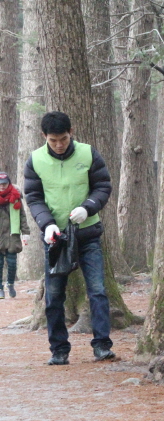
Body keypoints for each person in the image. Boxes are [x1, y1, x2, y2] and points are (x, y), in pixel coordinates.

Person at [24, 111, 115, 365]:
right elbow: (33, 197)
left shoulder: (88, 153)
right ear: (44, 137)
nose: (59, 144)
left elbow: (103, 185)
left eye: (63, 138)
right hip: (55, 238)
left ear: (71, 133)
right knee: (53, 295)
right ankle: (59, 349)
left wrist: (88, 207)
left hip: (87, 233)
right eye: (53, 140)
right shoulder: (35, 160)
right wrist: (47, 224)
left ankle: (101, 345)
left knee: (97, 290)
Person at [0, 172, 30, 299]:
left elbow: (22, 215)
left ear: (9, 184)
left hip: (13, 234)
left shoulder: (16, 196)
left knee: (12, 263)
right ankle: (0, 288)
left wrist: (26, 232)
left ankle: (10, 284)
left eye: (4, 184)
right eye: (0, 185)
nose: (2, 187)